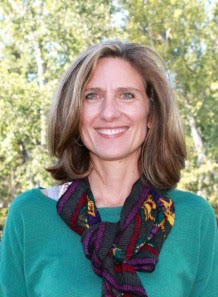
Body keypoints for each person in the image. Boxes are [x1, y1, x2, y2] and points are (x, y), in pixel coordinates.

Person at [0, 40, 217, 297]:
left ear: (151, 114)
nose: (109, 112)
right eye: (92, 96)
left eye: (127, 95)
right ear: (74, 112)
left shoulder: (194, 217)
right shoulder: (30, 215)